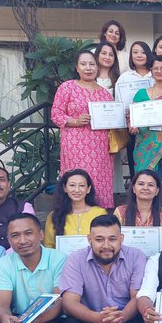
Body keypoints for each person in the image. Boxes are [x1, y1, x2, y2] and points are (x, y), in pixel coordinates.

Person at [51, 49, 115, 208]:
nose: (88, 68)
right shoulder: (67, 87)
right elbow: (55, 114)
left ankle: (99, 215)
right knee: (78, 180)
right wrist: (74, 121)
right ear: (77, 67)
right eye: (83, 64)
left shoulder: (104, 94)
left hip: (100, 147)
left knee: (99, 181)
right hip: (76, 146)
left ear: (97, 68)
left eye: (92, 64)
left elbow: (112, 118)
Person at [44, 169, 107, 249]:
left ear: (88, 189)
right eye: (72, 185)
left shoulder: (99, 213)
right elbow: (49, 246)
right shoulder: (54, 215)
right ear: (65, 188)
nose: (77, 190)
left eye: (81, 185)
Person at [113, 169, 162, 248]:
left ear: (157, 191)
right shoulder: (120, 212)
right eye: (141, 184)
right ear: (134, 189)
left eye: (151, 185)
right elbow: (114, 239)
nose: (145, 188)